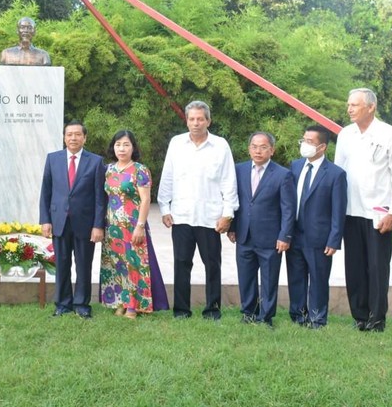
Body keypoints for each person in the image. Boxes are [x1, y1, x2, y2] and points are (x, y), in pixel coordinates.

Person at [335, 87, 392, 332]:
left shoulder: (390, 134)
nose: (349, 109)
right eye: (348, 105)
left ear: (371, 107)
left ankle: (376, 319)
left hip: (379, 212)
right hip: (350, 211)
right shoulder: (345, 134)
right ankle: (359, 316)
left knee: (377, 267)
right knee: (354, 267)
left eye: (354, 105)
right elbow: (338, 172)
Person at [158, 100, 238, 320]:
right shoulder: (176, 143)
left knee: (212, 265)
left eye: (200, 119)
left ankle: (212, 309)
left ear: (208, 121)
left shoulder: (220, 145)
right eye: (192, 119)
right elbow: (168, 176)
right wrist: (164, 207)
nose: (196, 123)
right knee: (181, 263)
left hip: (210, 217)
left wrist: (228, 214)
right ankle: (181, 310)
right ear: (186, 120)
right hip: (181, 215)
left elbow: (228, 181)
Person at [99, 130, 169, 318]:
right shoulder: (108, 170)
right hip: (112, 226)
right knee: (117, 264)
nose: (121, 149)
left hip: (133, 225)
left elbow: (145, 200)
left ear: (133, 148)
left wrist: (140, 225)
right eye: (118, 145)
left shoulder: (140, 170)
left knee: (134, 265)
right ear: (113, 147)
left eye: (126, 145)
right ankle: (120, 301)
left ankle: (133, 305)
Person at [39, 121, 105, 318]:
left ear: (85, 138)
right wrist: (45, 220)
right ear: (64, 137)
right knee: (61, 265)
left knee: (84, 265)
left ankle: (82, 304)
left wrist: (98, 225)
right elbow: (46, 191)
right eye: (69, 134)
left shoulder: (96, 161)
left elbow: (100, 198)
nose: (73, 138)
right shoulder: (53, 159)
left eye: (78, 134)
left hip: (85, 223)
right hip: (59, 221)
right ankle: (63, 303)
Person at [229, 131, 295, 327]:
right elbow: (233, 200)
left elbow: (288, 209)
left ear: (271, 150)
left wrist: (285, 235)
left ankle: (266, 317)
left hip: (270, 238)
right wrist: (232, 227)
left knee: (268, 279)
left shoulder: (283, 174)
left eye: (263, 147)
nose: (258, 151)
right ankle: (248, 313)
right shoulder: (238, 170)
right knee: (246, 277)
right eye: (254, 147)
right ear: (249, 149)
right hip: (244, 235)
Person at [285, 125, 347, 328]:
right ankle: (298, 315)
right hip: (294, 233)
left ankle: (317, 318)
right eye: (303, 140)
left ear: (322, 147)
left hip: (319, 237)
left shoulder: (336, 174)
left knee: (319, 279)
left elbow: (338, 209)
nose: (304, 144)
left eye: (310, 142)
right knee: (296, 276)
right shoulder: (295, 166)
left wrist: (334, 239)